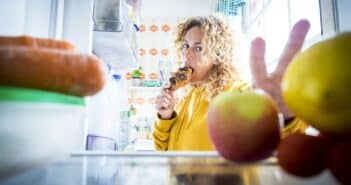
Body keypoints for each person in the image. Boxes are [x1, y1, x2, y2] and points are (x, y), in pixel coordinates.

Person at [153, 16, 310, 151]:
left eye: (198, 48)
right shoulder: (184, 98)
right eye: (186, 45)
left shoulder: (238, 92)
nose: (186, 54)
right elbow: (163, 151)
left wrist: (285, 115)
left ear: (218, 55)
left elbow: (281, 141)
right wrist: (165, 116)